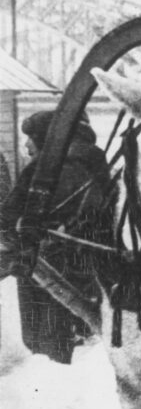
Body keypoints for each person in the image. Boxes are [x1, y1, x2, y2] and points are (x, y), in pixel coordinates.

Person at [0, 110, 110, 363]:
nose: (26, 145)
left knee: (45, 345)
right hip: (91, 274)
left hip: (42, 269)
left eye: (31, 138)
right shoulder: (95, 165)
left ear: (47, 138)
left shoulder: (41, 171)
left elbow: (6, 217)